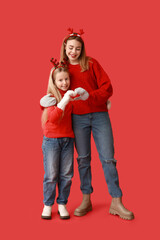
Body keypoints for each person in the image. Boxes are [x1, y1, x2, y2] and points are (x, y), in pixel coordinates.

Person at [59, 28, 134, 220]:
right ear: (65, 48)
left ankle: (116, 201)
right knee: (83, 159)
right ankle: (86, 198)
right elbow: (57, 89)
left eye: (77, 48)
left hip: (100, 116)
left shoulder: (91, 63)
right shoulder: (62, 69)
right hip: (78, 118)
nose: (73, 51)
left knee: (108, 159)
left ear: (82, 49)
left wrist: (91, 96)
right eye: (70, 48)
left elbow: (107, 87)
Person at [40, 59, 89, 220]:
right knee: (51, 174)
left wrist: (84, 96)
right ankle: (47, 205)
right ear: (54, 81)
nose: (64, 83)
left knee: (67, 174)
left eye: (66, 79)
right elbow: (53, 118)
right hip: (52, 140)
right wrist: (65, 99)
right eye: (60, 80)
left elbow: (79, 110)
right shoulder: (50, 98)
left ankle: (62, 203)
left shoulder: (70, 96)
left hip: (68, 140)